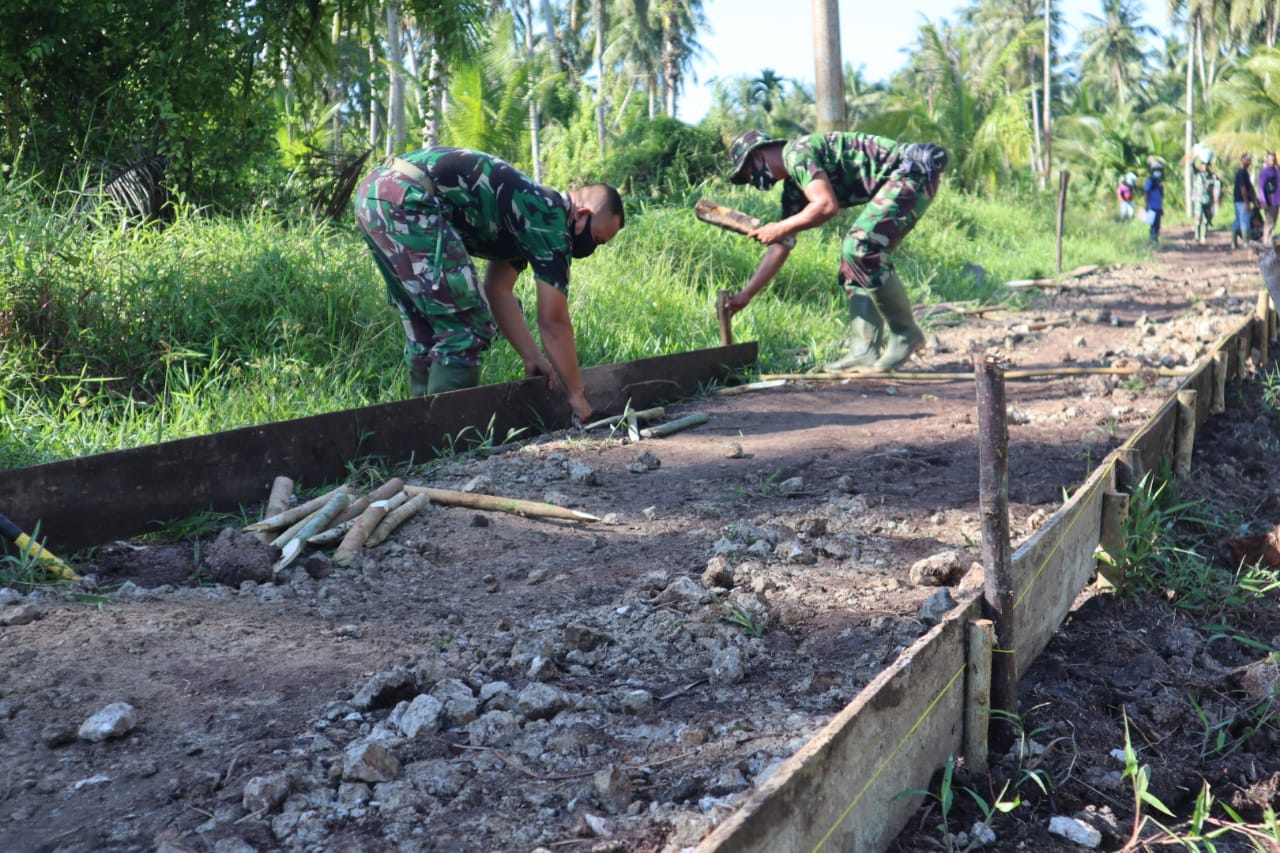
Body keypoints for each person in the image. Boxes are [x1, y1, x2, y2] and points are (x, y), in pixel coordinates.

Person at [353, 148, 624, 421]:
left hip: (376, 193)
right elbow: (554, 323)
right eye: (597, 239)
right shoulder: (549, 222)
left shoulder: (532, 212)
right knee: (465, 326)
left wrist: (531, 356)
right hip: (409, 200)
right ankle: (448, 435)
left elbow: (499, 290)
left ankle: (425, 435)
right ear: (582, 214)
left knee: (426, 325)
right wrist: (577, 395)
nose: (592, 247)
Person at [722, 130, 948, 371]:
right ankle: (864, 351)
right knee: (854, 263)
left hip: (913, 171)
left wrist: (779, 227)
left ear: (757, 156)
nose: (751, 181)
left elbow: (826, 206)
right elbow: (781, 246)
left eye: (747, 173)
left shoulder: (797, 153)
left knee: (860, 246)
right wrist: (746, 295)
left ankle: (906, 334)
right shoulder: (794, 189)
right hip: (904, 179)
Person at [1232, 152, 1259, 250]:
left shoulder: (1242, 172)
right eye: (1247, 160)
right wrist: (1247, 202)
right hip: (1242, 201)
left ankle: (1234, 242)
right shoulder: (1242, 172)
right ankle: (1246, 243)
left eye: (1249, 160)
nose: (1249, 162)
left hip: (1238, 200)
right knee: (1244, 221)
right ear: (1242, 160)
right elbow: (1243, 189)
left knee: (1238, 220)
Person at [1191, 154, 1219, 243]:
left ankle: (1204, 236)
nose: (1205, 167)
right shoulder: (1198, 174)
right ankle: (1197, 235)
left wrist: (1216, 198)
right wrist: (1195, 156)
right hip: (1198, 199)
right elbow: (1192, 166)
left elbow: (1217, 186)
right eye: (1203, 165)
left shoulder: (1212, 176)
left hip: (1208, 200)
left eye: (1206, 165)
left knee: (1206, 219)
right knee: (1198, 217)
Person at [1258, 151, 1280, 243]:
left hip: (1277, 200)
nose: (1272, 161)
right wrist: (1263, 200)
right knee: (1269, 223)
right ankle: (1266, 242)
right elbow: (1261, 187)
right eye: (1271, 159)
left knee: (1273, 222)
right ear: (1267, 160)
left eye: (1274, 159)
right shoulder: (1265, 172)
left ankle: (1269, 242)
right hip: (1269, 201)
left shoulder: (1276, 170)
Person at [1143, 163, 1164, 245]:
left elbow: (1160, 196)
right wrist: (1147, 204)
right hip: (1152, 207)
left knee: (1157, 225)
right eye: (1156, 170)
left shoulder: (1159, 182)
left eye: (1159, 170)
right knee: (1153, 225)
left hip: (1158, 207)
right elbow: (1146, 193)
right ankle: (1152, 241)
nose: (1158, 172)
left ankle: (1155, 240)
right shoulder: (1150, 181)